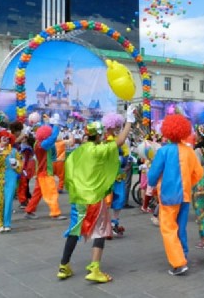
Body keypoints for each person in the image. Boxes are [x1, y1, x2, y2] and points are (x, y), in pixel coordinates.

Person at [56, 106, 135, 282]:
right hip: (95, 199)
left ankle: (64, 266)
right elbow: (120, 141)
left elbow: (69, 172)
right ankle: (95, 269)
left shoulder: (77, 151)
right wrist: (129, 120)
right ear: (99, 135)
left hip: (79, 199)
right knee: (101, 231)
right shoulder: (99, 150)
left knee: (74, 231)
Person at [148, 114, 204, 276]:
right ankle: (183, 256)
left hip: (167, 196)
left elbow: (152, 176)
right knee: (181, 228)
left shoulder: (163, 151)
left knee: (168, 229)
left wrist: (152, 184)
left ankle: (178, 263)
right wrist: (187, 183)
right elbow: (198, 173)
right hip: (185, 196)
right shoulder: (189, 151)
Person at [24, 116, 66, 220]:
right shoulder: (43, 145)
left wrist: (51, 124)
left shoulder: (37, 143)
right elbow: (53, 138)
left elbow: (51, 138)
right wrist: (56, 125)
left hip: (41, 173)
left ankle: (29, 210)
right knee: (52, 193)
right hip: (45, 173)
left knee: (37, 194)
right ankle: (55, 213)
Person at [0, 131, 22, 232]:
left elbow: (20, 167)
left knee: (8, 202)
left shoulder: (14, 151)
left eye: (7, 138)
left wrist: (16, 164)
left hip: (10, 178)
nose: (5, 140)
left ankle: (7, 223)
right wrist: (0, 151)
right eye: (3, 138)